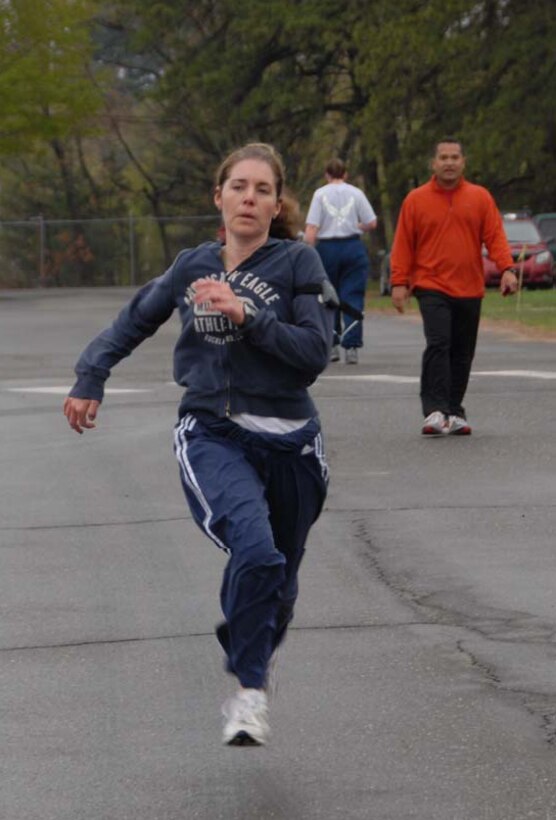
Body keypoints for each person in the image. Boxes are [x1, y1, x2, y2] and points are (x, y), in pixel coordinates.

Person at [63, 143, 335, 747]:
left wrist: (247, 315)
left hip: (294, 445)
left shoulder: (298, 266)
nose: (249, 198)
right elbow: (135, 319)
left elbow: (313, 355)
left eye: (262, 190)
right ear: (219, 196)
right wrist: (91, 375)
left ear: (276, 203)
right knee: (257, 555)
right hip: (214, 432)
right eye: (238, 186)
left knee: (278, 590)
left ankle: (247, 638)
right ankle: (249, 694)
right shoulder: (193, 266)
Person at [390, 137, 518, 436]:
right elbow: (403, 245)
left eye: (455, 157)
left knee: (462, 352)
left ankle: (454, 410)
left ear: (463, 162)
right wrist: (399, 282)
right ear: (434, 164)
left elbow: (495, 237)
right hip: (430, 284)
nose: (449, 162)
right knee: (439, 342)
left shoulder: (480, 197)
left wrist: (508, 269)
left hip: (469, 287)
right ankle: (434, 410)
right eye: (443, 157)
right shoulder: (416, 200)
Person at [304, 158, 377, 364]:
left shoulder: (320, 194)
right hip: (352, 246)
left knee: (329, 297)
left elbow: (312, 229)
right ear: (345, 174)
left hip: (327, 248)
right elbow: (372, 222)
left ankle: (333, 344)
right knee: (352, 295)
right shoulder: (356, 193)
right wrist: (358, 226)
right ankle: (352, 346)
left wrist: (307, 249)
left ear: (326, 175)